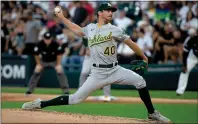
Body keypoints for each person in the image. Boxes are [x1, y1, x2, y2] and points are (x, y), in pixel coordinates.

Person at [22, 3, 170, 123]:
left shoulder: (115, 29)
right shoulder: (90, 28)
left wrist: (144, 56)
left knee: (140, 81)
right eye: (107, 10)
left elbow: (131, 43)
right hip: (97, 73)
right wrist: (61, 17)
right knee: (75, 99)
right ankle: (40, 103)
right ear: (100, 13)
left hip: (115, 70)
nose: (111, 12)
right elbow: (77, 29)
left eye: (112, 11)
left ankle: (152, 113)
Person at [25, 32, 70, 96]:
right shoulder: (40, 44)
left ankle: (66, 91)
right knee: (37, 69)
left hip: (54, 61)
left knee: (59, 69)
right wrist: (38, 64)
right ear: (43, 38)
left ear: (51, 38)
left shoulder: (55, 44)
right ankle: (29, 90)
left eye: (49, 39)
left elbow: (59, 55)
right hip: (43, 61)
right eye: (46, 39)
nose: (47, 40)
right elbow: (36, 55)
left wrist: (58, 64)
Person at [176, 28, 198, 96]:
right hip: (193, 57)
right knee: (185, 71)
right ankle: (180, 91)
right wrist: (185, 65)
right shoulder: (193, 39)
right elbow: (185, 52)